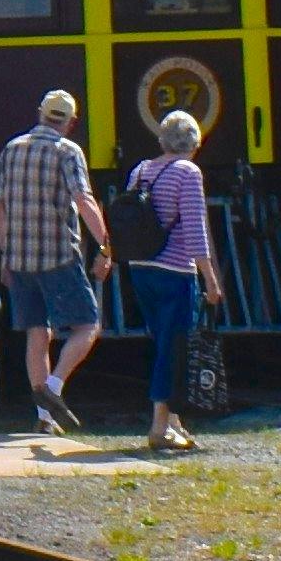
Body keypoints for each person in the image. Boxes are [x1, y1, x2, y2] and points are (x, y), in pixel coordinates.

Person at [0, 88, 113, 435]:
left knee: (37, 333)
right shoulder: (67, 151)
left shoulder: (12, 149)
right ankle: (54, 388)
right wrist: (105, 247)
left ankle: (44, 420)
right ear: (71, 122)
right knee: (88, 326)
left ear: (41, 113)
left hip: (20, 259)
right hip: (58, 255)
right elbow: (83, 199)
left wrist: (6, 253)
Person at [118, 100, 221, 457]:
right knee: (172, 347)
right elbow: (195, 230)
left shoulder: (141, 170)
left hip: (141, 270)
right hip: (175, 272)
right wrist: (210, 279)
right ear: (195, 143)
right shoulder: (188, 174)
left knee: (162, 344)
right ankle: (159, 427)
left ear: (162, 140)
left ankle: (173, 422)